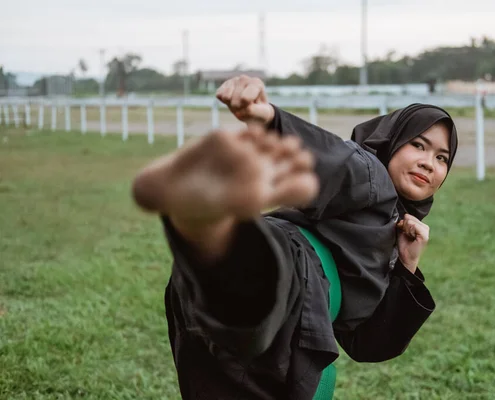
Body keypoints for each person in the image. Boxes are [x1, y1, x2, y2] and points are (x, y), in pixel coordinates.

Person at [131, 75, 458, 399]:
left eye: (442, 158)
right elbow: (335, 160)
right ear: (392, 141)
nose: (428, 163)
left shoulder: (396, 230)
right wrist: (270, 120)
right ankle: (214, 229)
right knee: (254, 284)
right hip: (288, 270)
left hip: (228, 308)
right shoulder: (371, 176)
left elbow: (369, 344)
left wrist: (407, 264)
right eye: (418, 145)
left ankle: (207, 237)